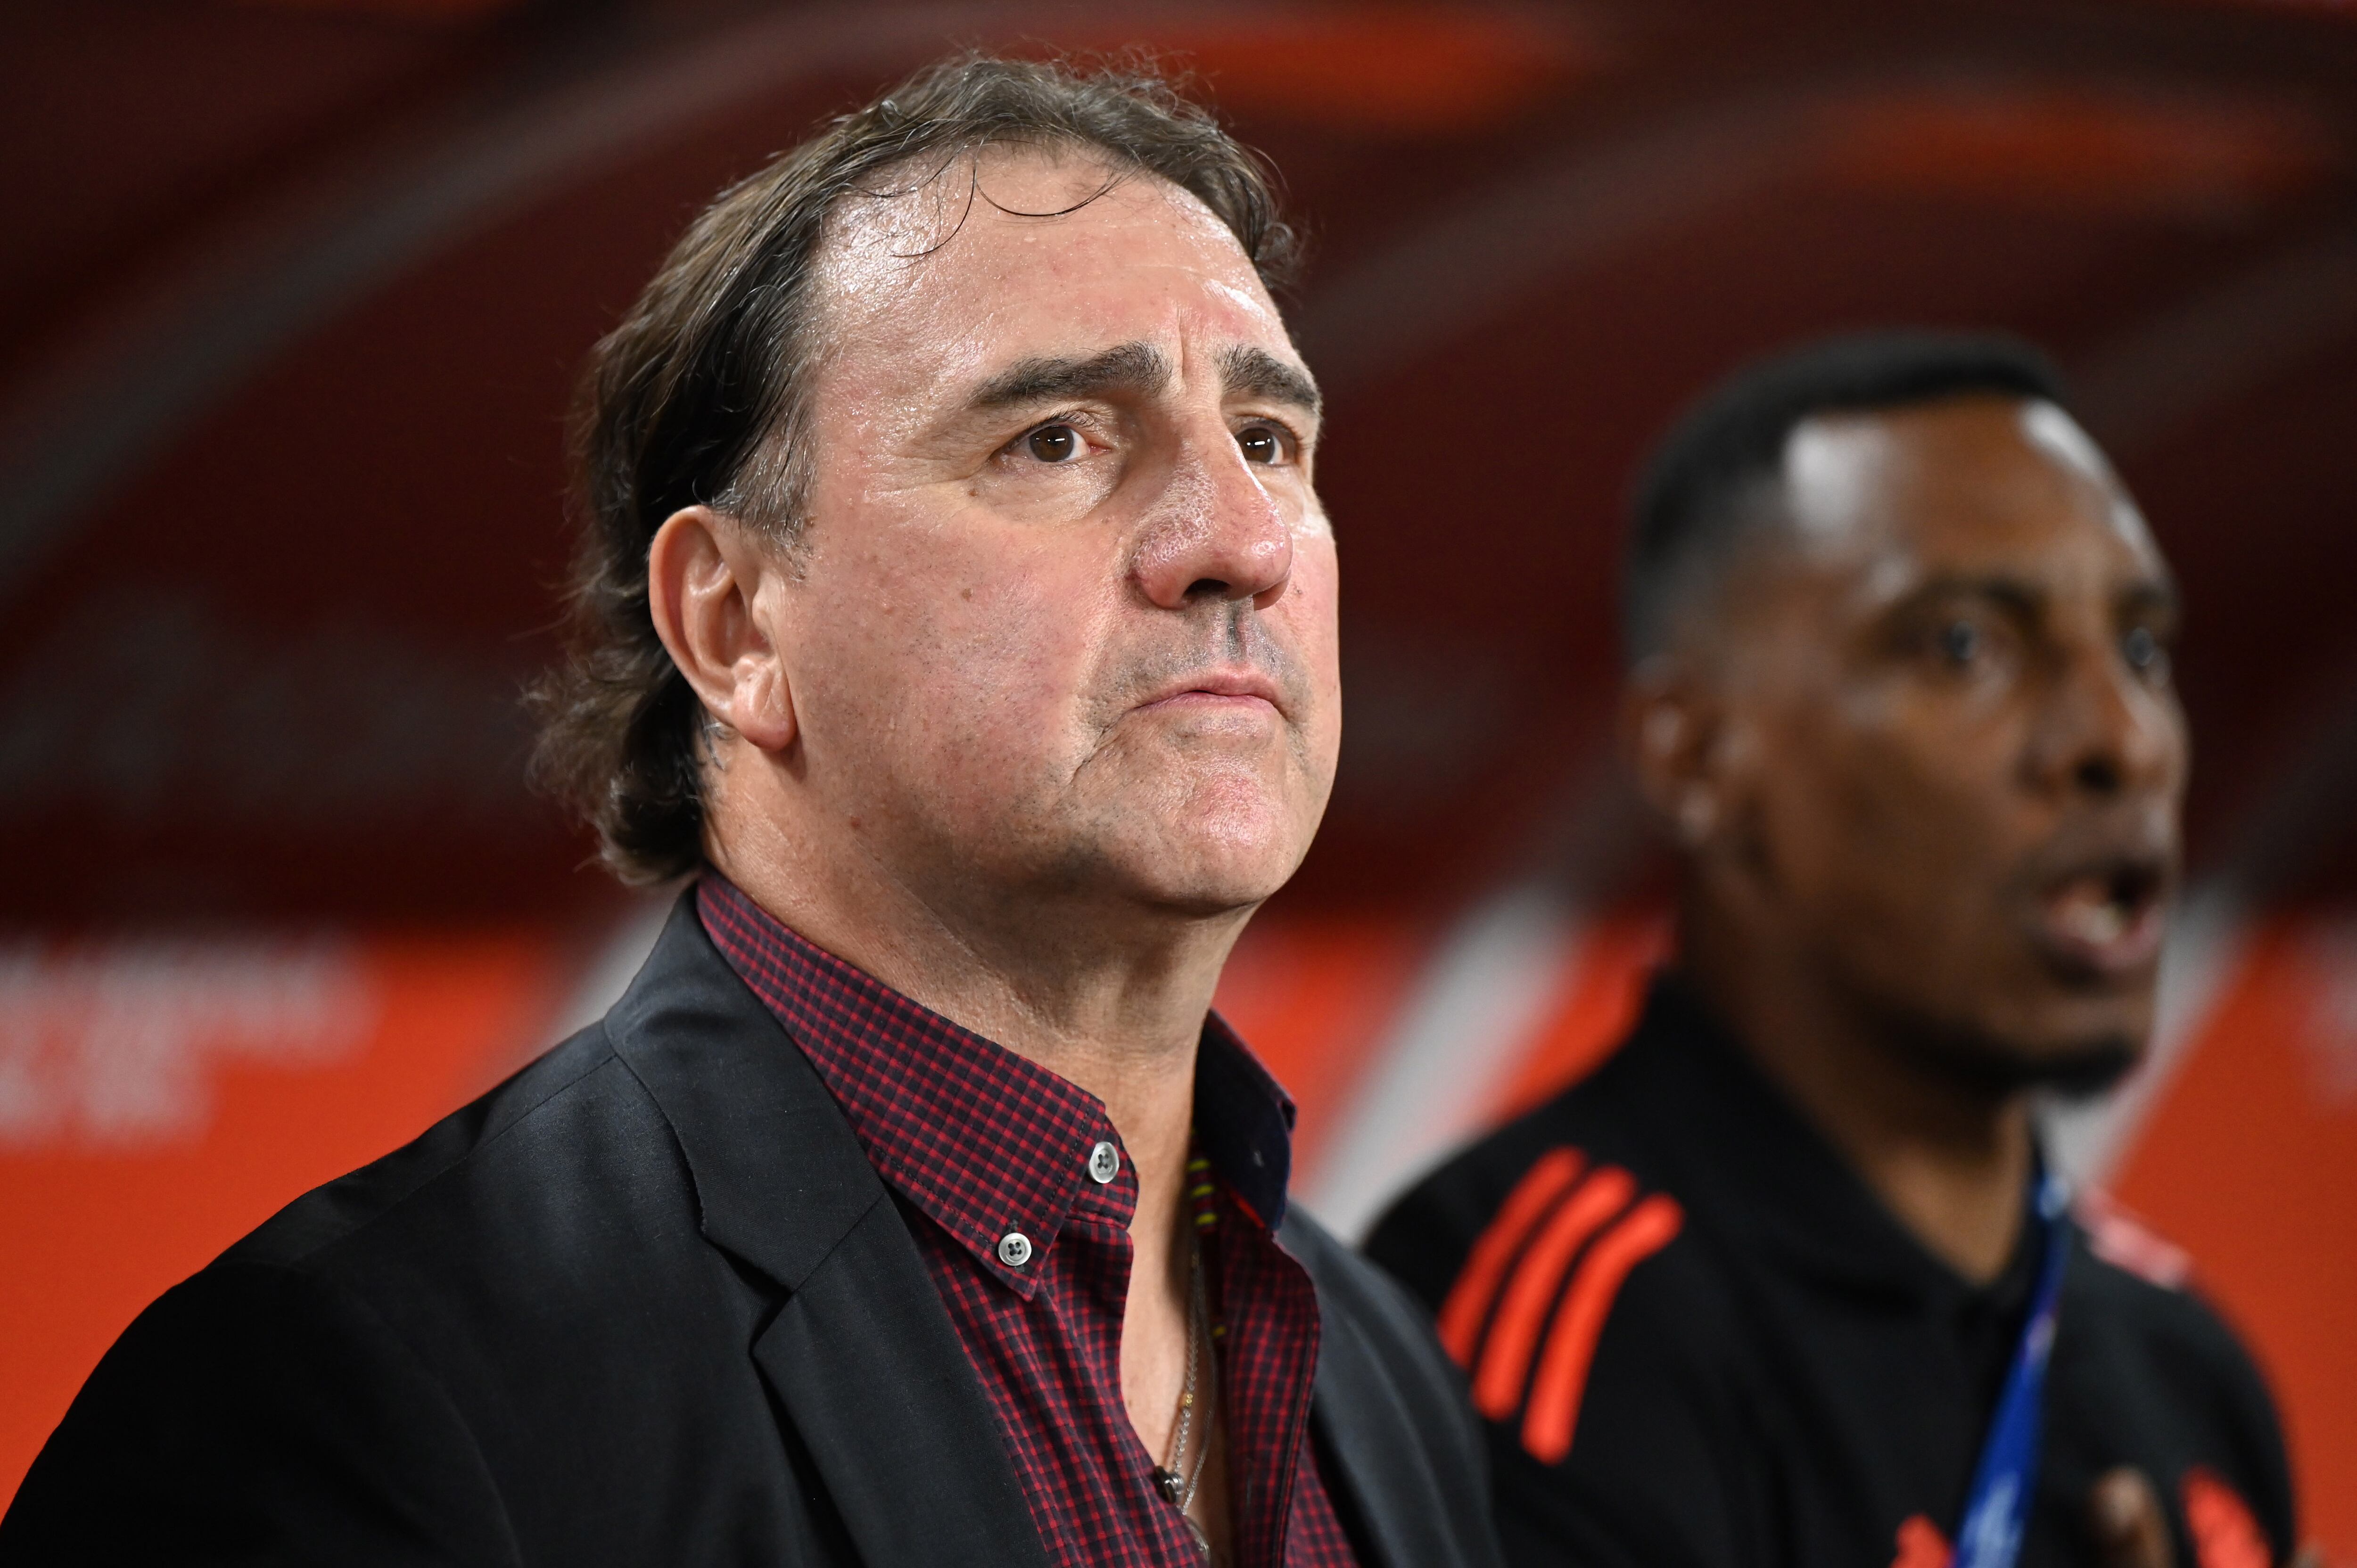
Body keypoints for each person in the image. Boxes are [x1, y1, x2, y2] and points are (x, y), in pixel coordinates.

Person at [1, 57, 1498, 1568]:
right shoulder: (346, 1400)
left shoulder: (1383, 1380)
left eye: (1268, 440)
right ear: (732, 626)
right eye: (1055, 437)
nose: (1236, 539)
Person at [1365, 334, 2306, 1568]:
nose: (2119, 741)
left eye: (2140, 649)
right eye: (1965, 644)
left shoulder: (2185, 1365)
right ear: (1697, 759)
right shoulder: (1540, 1310)